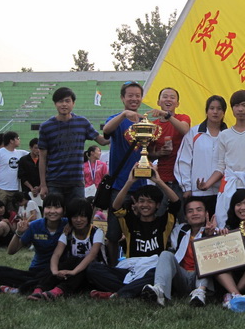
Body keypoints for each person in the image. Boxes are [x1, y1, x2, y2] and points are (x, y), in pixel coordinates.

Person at [85, 164, 180, 299]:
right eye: (141, 201)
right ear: (136, 203)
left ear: (158, 205)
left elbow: (176, 203)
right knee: (93, 269)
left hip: (152, 269)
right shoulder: (129, 221)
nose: (145, 205)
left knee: (158, 274)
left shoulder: (164, 222)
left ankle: (120, 293)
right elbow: (115, 207)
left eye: (150, 202)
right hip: (131, 269)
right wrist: (129, 182)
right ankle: (135, 291)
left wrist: (158, 181)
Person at [198, 90, 245, 227]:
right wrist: (207, 184)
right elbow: (221, 166)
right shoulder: (224, 135)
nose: (240, 109)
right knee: (225, 224)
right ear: (232, 109)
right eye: (236, 106)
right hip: (229, 185)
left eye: (244, 105)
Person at [102, 81, 147, 266]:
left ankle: (135, 266)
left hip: (141, 186)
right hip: (119, 186)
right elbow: (106, 131)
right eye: (130, 95)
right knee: (113, 232)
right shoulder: (116, 119)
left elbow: (148, 152)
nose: (134, 99)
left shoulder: (146, 122)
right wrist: (123, 115)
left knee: (138, 231)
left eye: (137, 95)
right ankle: (113, 268)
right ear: (122, 98)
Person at [141, 197, 216, 307]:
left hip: (200, 277)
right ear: (185, 216)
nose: (195, 213)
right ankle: (159, 290)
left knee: (208, 254)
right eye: (190, 211)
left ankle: (200, 293)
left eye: (199, 210)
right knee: (166, 254)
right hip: (182, 275)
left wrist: (209, 236)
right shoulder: (179, 231)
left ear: (206, 214)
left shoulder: (215, 231)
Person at [39, 87, 108, 205]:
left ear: (73, 103)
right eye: (60, 101)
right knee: (55, 213)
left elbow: (101, 141)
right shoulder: (46, 127)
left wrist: (121, 133)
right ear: (55, 104)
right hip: (55, 182)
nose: (64, 104)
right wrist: (43, 185)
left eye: (67, 101)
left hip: (76, 182)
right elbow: (42, 158)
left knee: (78, 214)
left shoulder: (82, 123)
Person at [26, 198, 104, 301]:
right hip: (73, 271)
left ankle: (57, 292)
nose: (78, 220)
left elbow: (92, 255)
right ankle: (39, 290)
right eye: (75, 216)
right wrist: (55, 271)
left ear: (88, 217)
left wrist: (73, 272)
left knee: (83, 265)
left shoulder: (97, 232)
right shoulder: (68, 233)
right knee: (68, 261)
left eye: (82, 216)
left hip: (91, 273)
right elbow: (56, 254)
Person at [0, 194, 68, 294]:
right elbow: (11, 251)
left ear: (63, 210)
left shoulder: (69, 225)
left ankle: (22, 288)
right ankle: (37, 286)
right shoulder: (34, 226)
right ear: (43, 209)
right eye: (48, 207)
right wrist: (18, 233)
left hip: (58, 270)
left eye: (57, 207)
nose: (52, 211)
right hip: (36, 271)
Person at [174, 95, 228, 216]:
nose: (215, 112)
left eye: (219, 109)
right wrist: (186, 187)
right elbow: (183, 161)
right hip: (197, 192)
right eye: (212, 108)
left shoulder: (228, 135)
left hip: (222, 192)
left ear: (224, 112)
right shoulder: (194, 133)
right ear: (206, 111)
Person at [214, 189, 245, 307]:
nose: (243, 208)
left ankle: (233, 293)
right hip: (232, 272)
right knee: (217, 262)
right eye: (238, 204)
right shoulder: (228, 228)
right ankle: (237, 295)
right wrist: (221, 238)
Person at [149, 87, 191, 213]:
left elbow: (185, 130)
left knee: (183, 218)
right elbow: (149, 154)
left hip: (182, 181)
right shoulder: (153, 125)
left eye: (172, 97)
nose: (168, 99)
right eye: (165, 97)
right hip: (162, 180)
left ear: (177, 103)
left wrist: (167, 116)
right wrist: (158, 153)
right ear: (158, 102)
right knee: (160, 217)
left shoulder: (183, 118)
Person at [0, 131, 28, 210]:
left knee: (13, 213)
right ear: (11, 141)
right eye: (18, 138)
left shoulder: (21, 153)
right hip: (1, 188)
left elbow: (34, 154)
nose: (19, 140)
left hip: (15, 189)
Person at [17, 138, 42, 211]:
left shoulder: (43, 159)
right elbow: (21, 176)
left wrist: (39, 187)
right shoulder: (23, 160)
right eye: (36, 148)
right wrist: (31, 188)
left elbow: (47, 175)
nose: (38, 150)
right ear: (30, 148)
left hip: (41, 190)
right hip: (27, 191)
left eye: (39, 148)